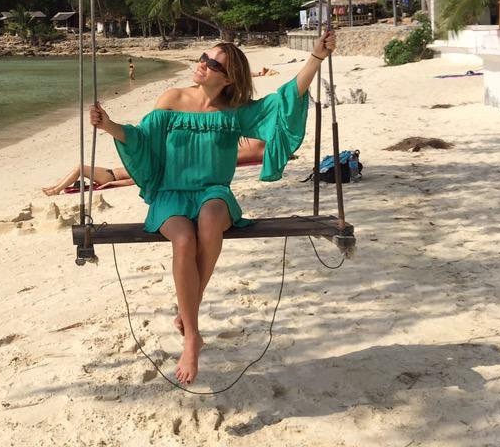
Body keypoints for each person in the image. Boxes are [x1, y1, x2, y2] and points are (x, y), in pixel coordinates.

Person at [89, 30, 336, 384]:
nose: (202, 64)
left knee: (209, 219)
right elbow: (142, 139)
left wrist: (316, 57)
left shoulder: (235, 113)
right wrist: (108, 124)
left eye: (212, 64)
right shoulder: (172, 98)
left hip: (213, 193)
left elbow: (284, 101)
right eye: (203, 58)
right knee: (183, 240)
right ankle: (193, 335)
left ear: (229, 78)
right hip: (171, 194)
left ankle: (189, 313)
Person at [42, 138, 266, 195]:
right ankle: (55, 187)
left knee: (80, 167)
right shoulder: (147, 167)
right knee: (80, 168)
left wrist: (111, 184)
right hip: (110, 175)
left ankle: (55, 189)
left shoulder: (146, 169)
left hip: (110, 175)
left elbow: (135, 180)